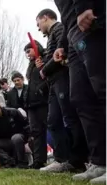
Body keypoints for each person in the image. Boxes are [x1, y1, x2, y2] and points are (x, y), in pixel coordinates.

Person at [53, 1, 106, 183]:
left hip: (89, 17)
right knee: (80, 97)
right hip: (72, 32)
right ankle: (100, 161)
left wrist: (85, 5)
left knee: (103, 87)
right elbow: (65, 13)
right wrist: (62, 43)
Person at [36, 8, 88, 173]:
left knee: (70, 118)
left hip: (62, 79)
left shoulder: (59, 29)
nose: (38, 27)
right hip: (54, 82)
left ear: (45, 18)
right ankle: (62, 158)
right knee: (53, 120)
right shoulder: (52, 35)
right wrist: (43, 63)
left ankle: (78, 158)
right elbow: (52, 55)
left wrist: (44, 70)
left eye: (38, 23)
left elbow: (60, 55)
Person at [24, 41, 49, 169]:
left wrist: (42, 68)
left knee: (50, 128)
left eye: (29, 51)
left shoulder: (44, 59)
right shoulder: (31, 65)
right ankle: (39, 160)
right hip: (31, 103)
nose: (27, 54)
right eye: (26, 52)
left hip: (43, 101)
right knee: (36, 132)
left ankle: (63, 156)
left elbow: (48, 77)